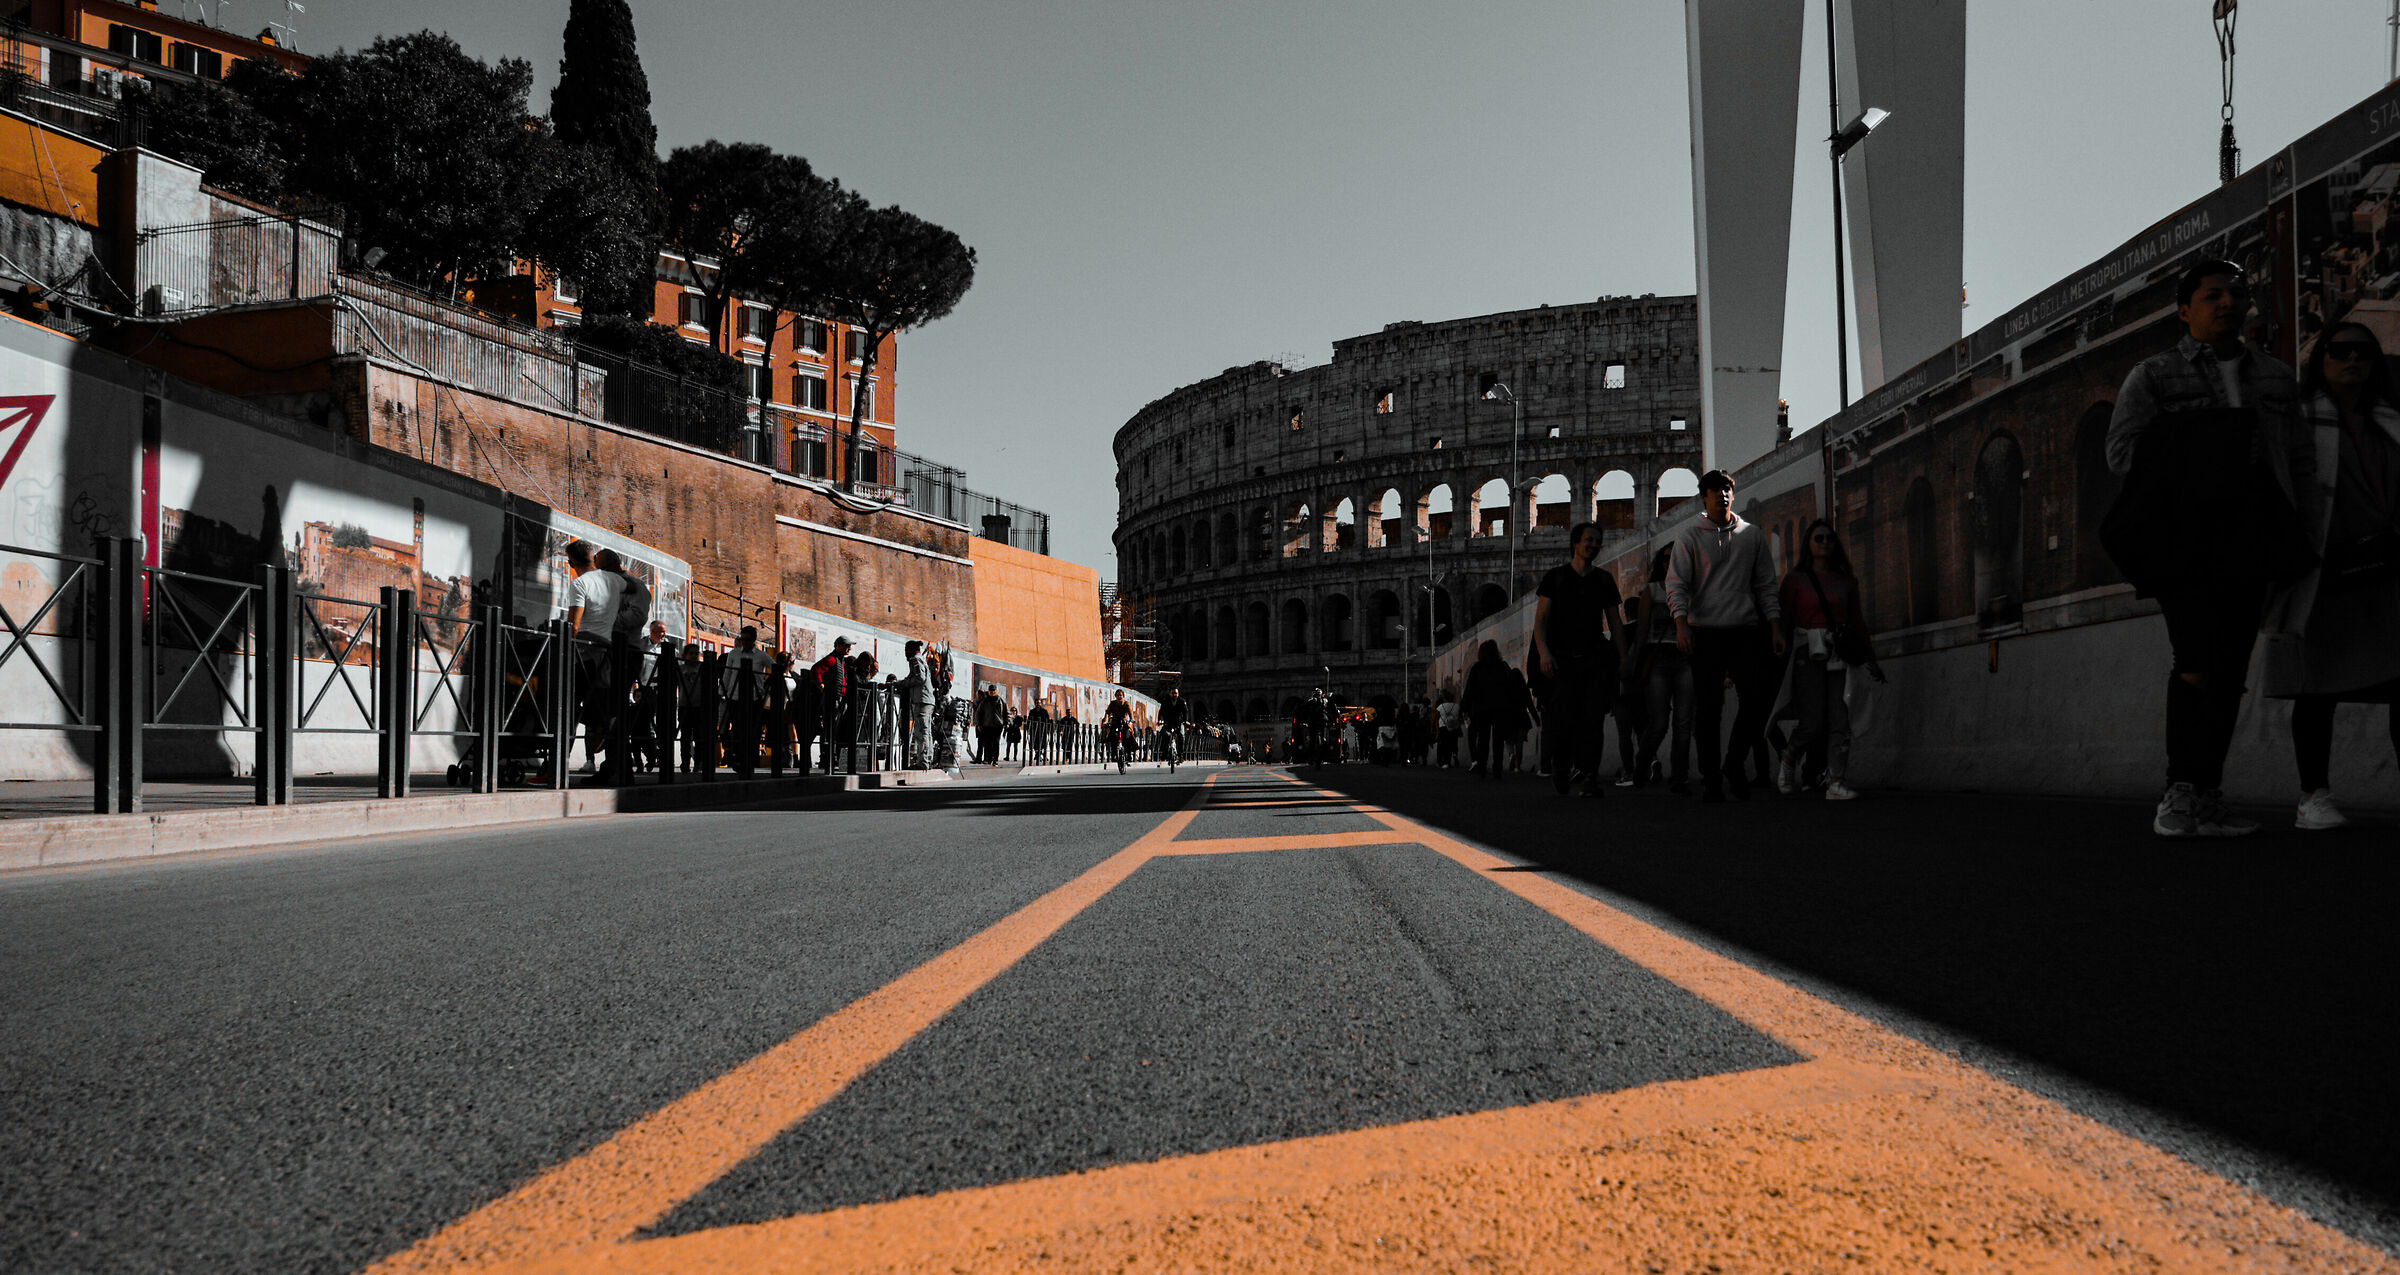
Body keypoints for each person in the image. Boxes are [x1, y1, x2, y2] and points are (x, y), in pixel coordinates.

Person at [2106, 259, 2299, 837]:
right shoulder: (2155, 376)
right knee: (2195, 661)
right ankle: (2180, 793)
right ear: (2185, 308)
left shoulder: (2276, 377)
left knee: (2232, 668)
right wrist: (2199, 452)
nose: (2227, 303)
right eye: (2212, 295)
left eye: (2236, 293)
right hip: (2184, 539)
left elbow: (2301, 460)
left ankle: (2208, 795)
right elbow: (2120, 453)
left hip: (2252, 536)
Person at [2262, 320, 2400, 829]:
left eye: (2363, 352)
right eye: (2338, 350)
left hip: (2387, 572)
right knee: (2316, 687)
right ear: (2320, 360)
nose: (2351, 359)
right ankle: (2312, 796)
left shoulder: (2390, 420)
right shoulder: (2298, 419)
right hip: (2325, 573)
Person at [1666, 470, 1785, 803]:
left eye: (1728, 489)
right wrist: (1681, 625)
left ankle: (1733, 764)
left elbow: (1765, 585)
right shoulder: (1689, 537)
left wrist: (1774, 626)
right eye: (1716, 490)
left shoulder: (1752, 535)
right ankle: (1710, 778)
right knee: (1709, 708)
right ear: (1704, 497)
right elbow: (1676, 584)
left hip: (1745, 630)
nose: (1723, 494)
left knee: (1757, 700)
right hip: (1704, 632)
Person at [1778, 519, 1886, 801]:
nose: (1825, 542)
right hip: (1807, 652)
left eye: (1829, 539)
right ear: (1809, 545)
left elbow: (1857, 621)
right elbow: (1784, 621)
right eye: (1819, 538)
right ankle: (1789, 758)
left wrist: (1869, 658)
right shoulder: (1795, 581)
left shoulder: (1846, 581)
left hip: (1839, 653)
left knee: (1840, 717)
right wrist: (1780, 651)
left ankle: (1836, 781)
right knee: (1812, 721)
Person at [1533, 521, 1624, 798]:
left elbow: (1615, 623)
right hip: (1562, 661)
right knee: (1564, 721)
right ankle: (1561, 767)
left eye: (1597, 541)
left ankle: (1589, 776)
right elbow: (1540, 622)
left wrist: (1624, 658)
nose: (1593, 545)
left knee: (1593, 720)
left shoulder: (1604, 580)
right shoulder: (1555, 578)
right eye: (1589, 540)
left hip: (1595, 659)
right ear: (1575, 543)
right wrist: (1544, 653)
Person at [1627, 545, 1694, 793]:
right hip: (1659, 659)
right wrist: (1632, 662)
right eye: (1667, 559)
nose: (1671, 562)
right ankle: (1643, 763)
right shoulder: (1653, 591)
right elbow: (1642, 631)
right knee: (1659, 722)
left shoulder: (1692, 590)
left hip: (1685, 658)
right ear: (1661, 563)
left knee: (1683, 722)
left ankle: (1679, 776)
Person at [560, 540, 623, 781]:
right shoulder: (614, 581)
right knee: (601, 705)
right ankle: (609, 753)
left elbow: (573, 625)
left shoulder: (579, 584)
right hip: (607, 652)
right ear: (593, 558)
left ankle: (559, 762)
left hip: (584, 653)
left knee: (568, 707)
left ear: (571, 563)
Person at [1463, 639, 1528, 780]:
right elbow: (1510, 688)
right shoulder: (1502, 667)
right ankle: (1497, 768)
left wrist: (1465, 707)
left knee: (1483, 740)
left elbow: (1470, 690)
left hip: (1481, 709)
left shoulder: (1477, 668)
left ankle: (1482, 768)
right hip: (1500, 708)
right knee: (1498, 740)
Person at [719, 625, 770, 777]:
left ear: (754, 640)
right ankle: (739, 760)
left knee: (753, 732)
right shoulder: (733, 654)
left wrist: (764, 687)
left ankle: (750, 763)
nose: (745, 643)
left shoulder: (761, 656)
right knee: (737, 730)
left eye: (748, 640)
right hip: (735, 697)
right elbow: (728, 673)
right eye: (742, 639)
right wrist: (722, 692)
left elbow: (775, 667)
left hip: (754, 698)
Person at [808, 637, 853, 773]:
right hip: (833, 698)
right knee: (830, 729)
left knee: (833, 729)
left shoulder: (840, 660)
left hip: (839, 698)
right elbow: (815, 671)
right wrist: (822, 686)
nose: (849, 648)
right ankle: (826, 757)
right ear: (838, 646)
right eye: (847, 645)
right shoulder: (832, 659)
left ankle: (829, 757)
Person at [897, 640, 934, 768]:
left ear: (910, 650)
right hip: (926, 700)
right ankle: (927, 760)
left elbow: (919, 678)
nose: (905, 653)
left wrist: (902, 684)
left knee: (921, 732)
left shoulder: (915, 660)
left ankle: (922, 762)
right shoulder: (921, 659)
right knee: (926, 732)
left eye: (906, 650)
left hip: (921, 700)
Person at [1102, 690, 1133, 770]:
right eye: (1118, 695)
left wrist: (1131, 720)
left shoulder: (1126, 704)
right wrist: (1105, 721)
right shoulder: (1112, 704)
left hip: (1124, 723)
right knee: (1111, 736)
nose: (1119, 697)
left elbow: (1130, 713)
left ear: (1123, 696)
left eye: (1121, 695)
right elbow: (1108, 713)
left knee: (1127, 736)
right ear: (1115, 696)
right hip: (1115, 722)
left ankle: (1129, 754)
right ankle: (1114, 754)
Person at [1158, 687, 1188, 769]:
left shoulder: (1182, 701)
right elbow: (1161, 712)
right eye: (1173, 693)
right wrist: (1160, 720)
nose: (1174, 695)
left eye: (1176, 693)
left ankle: (1181, 755)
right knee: (1164, 735)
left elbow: (1185, 712)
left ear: (1178, 694)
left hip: (1179, 722)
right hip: (1168, 722)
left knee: (1181, 736)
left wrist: (1185, 721)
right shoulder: (1165, 702)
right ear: (1169, 694)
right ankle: (1164, 753)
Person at [1435, 688, 1461, 768]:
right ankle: (1455, 754)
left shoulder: (1441, 706)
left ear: (1444, 698)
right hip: (1454, 726)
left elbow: (1436, 716)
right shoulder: (1457, 706)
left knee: (1445, 744)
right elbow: (1460, 716)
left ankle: (1447, 762)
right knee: (1454, 742)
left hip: (1443, 727)